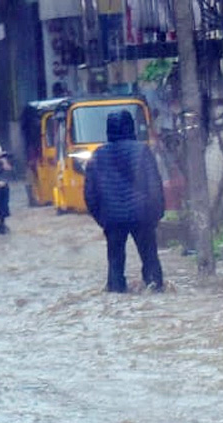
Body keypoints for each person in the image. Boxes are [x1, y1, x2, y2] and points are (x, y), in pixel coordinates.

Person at [83, 109, 166, 292]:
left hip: (112, 218)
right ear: (131, 127)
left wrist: (103, 218)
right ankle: (156, 292)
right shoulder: (142, 150)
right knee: (150, 258)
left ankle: (116, 293)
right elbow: (154, 186)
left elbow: (90, 194)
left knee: (115, 263)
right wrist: (157, 215)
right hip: (142, 215)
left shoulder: (98, 155)